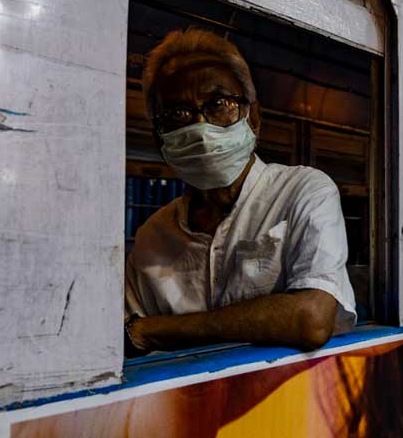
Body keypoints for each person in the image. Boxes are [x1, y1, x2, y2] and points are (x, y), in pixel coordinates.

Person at [123, 29, 356, 357]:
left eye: (218, 104)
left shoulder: (303, 190)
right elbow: (126, 337)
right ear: (160, 138)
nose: (200, 128)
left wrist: (153, 331)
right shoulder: (152, 236)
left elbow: (311, 318)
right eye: (177, 114)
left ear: (254, 117)